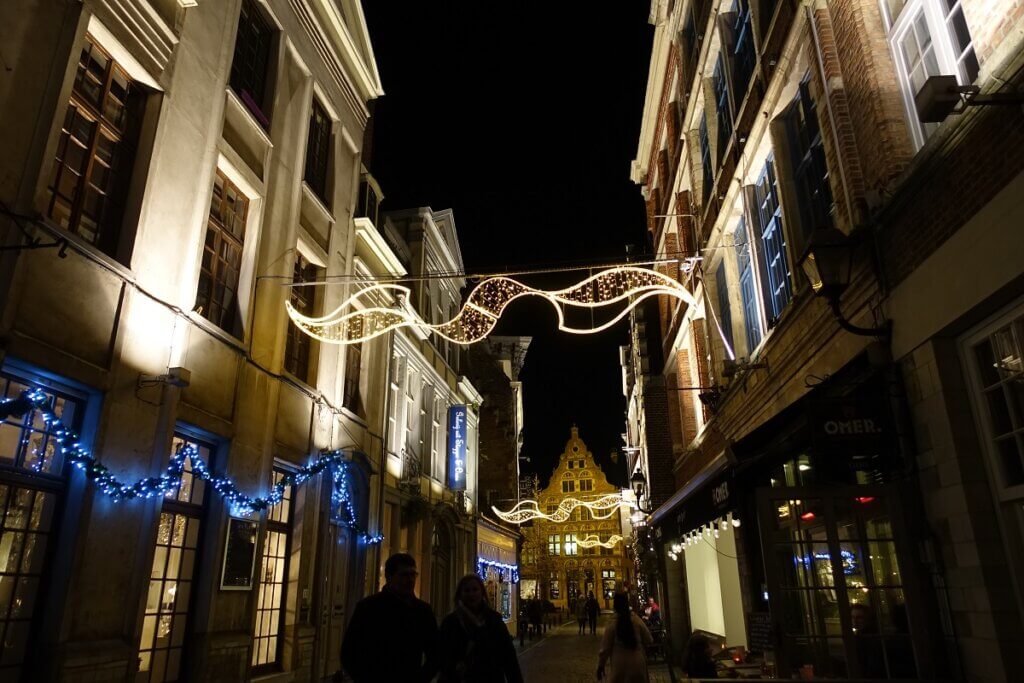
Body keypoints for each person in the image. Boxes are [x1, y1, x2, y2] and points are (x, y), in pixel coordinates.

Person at [341, 553, 438, 682]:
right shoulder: (368, 608)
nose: (410, 580)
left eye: (413, 575)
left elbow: (435, 653)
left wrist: (421, 678)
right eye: (404, 575)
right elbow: (349, 651)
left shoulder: (423, 611)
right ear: (389, 577)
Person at [438, 574, 524, 683]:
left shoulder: (494, 621)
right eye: (467, 590)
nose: (471, 594)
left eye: (475, 590)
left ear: (482, 592)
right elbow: (441, 656)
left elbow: (509, 658)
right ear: (460, 594)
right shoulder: (450, 623)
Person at [597, 592, 653, 682]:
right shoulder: (636, 619)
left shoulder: (612, 623)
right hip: (637, 663)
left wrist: (601, 665)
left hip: (619, 665)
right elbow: (649, 639)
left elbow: (605, 647)